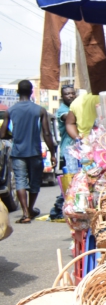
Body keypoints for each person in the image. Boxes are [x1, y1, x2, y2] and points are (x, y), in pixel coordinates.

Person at [3, 81, 57, 224]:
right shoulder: (39, 110)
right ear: (32, 92)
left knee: (20, 181)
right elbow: (46, 133)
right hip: (35, 152)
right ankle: (31, 208)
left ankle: (25, 213)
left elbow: (2, 133)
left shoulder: (11, 110)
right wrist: (53, 154)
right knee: (34, 182)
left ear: (17, 92)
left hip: (18, 152)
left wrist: (12, 134)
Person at [48, 85, 79, 222]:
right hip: (69, 150)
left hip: (78, 149)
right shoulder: (63, 110)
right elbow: (71, 118)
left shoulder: (75, 106)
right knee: (71, 180)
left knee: (78, 180)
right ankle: (58, 208)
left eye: (72, 93)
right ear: (62, 96)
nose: (71, 96)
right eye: (67, 94)